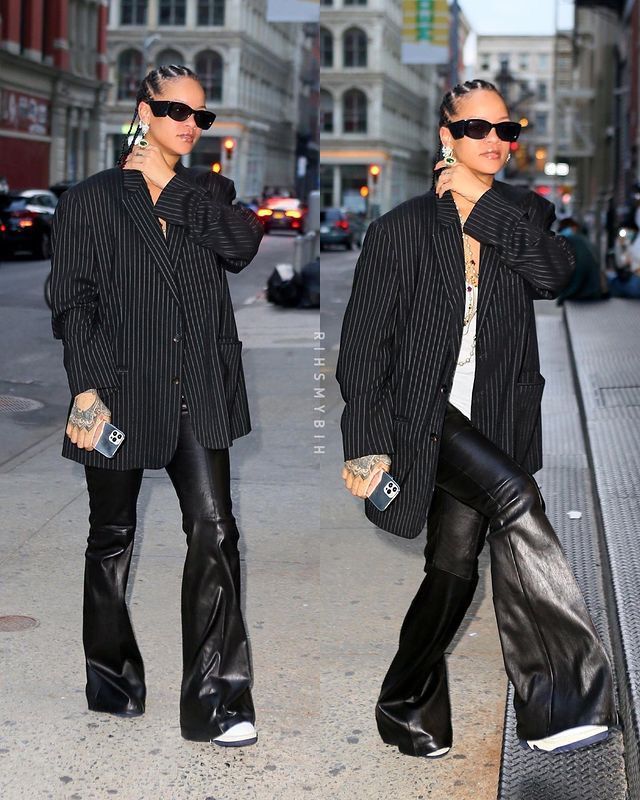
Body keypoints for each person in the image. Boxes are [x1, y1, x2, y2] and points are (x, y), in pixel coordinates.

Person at [336, 79, 617, 757]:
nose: (493, 141)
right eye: (475, 130)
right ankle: (562, 697)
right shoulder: (399, 228)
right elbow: (363, 345)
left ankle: (404, 705)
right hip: (420, 413)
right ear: (446, 137)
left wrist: (482, 204)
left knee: (454, 566)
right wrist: (364, 444)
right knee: (517, 498)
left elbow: (554, 274)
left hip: (493, 414)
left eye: (505, 130)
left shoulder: (524, 215)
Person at [50, 65, 263, 747]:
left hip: (197, 391)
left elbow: (241, 245)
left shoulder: (210, 194)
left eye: (199, 115)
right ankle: (111, 678)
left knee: (216, 533)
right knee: (111, 539)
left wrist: (170, 186)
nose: (189, 124)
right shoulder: (90, 199)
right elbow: (72, 300)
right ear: (144, 112)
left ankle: (217, 701)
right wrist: (86, 391)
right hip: (117, 393)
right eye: (175, 110)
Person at [556, 217, 607, 304]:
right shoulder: (583, 239)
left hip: (585, 292)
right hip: (594, 289)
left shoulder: (573, 239)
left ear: (574, 228)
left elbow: (582, 266)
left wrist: (568, 293)